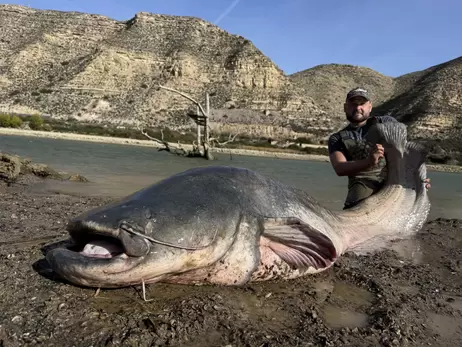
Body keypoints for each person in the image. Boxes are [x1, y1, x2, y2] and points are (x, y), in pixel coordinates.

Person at [327, 87, 430, 209]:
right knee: (352, 214)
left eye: (362, 104)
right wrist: (369, 162)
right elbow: (340, 168)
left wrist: (416, 176)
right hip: (363, 182)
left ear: (370, 106)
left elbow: (404, 149)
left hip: (395, 178)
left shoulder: (385, 121)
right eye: (353, 104)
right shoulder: (337, 138)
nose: (358, 108)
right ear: (345, 107)